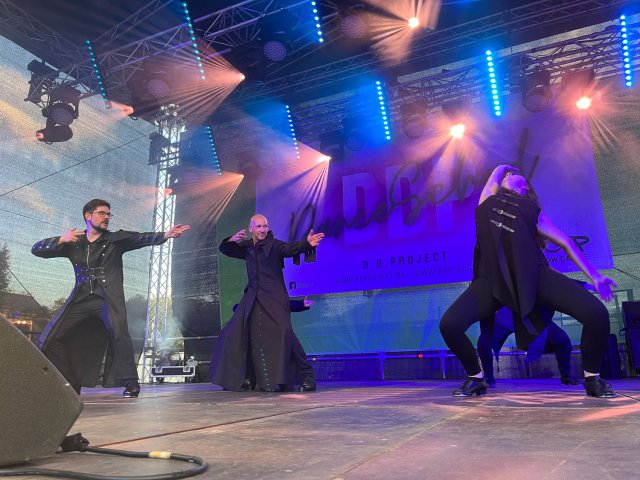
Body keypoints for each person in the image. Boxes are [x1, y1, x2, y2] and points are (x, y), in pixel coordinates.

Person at [439, 165, 616, 398]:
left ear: (525, 188)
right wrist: (503, 168)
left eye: (513, 175)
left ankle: (592, 379)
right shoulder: (487, 202)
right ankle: (476, 378)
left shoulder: (532, 210)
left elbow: (566, 242)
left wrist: (595, 276)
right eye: (507, 176)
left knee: (597, 314)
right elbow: (494, 177)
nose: (508, 175)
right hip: (491, 280)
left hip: (534, 275)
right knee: (449, 325)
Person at [32, 199, 190, 397]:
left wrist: (165, 234)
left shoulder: (115, 239)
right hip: (80, 299)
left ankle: (131, 383)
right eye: (101, 213)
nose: (106, 217)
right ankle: (70, 382)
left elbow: (140, 238)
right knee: (48, 339)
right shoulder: (74, 241)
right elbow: (36, 249)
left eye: (108, 214)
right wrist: (60, 240)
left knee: (119, 333)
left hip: (106, 299)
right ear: (88, 216)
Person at [210, 214, 324, 392]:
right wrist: (231, 240)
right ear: (251, 229)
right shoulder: (247, 247)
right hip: (253, 297)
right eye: (259, 227)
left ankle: (307, 376)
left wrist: (307, 244)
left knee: (285, 334)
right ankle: (248, 377)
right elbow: (227, 250)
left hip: (274, 298)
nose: (263, 230)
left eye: (265, 226)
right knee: (234, 332)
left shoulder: (274, 245)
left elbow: (289, 249)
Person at [227, 296, 317, 392]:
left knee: (296, 351)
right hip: (265, 335)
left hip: (282, 332)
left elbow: (285, 304)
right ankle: (253, 380)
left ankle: (308, 378)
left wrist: (301, 304)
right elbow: (237, 308)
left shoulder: (274, 300)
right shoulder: (254, 302)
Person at [477, 307, 579, 387]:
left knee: (563, 341)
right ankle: (488, 378)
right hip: (508, 316)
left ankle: (566, 376)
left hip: (530, 316)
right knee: (484, 342)